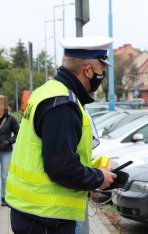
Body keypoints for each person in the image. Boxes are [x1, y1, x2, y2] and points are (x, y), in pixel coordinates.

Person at [5, 36, 118, 234]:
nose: (102, 76)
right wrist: (98, 178)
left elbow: (52, 153)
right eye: (102, 70)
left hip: (33, 213)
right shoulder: (63, 103)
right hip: (46, 218)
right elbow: (61, 167)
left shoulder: (47, 91)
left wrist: (90, 170)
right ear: (88, 70)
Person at [0, 95, 19, 206]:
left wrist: (9, 141)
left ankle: (4, 197)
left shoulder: (11, 119)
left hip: (6, 151)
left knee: (4, 176)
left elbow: (18, 133)